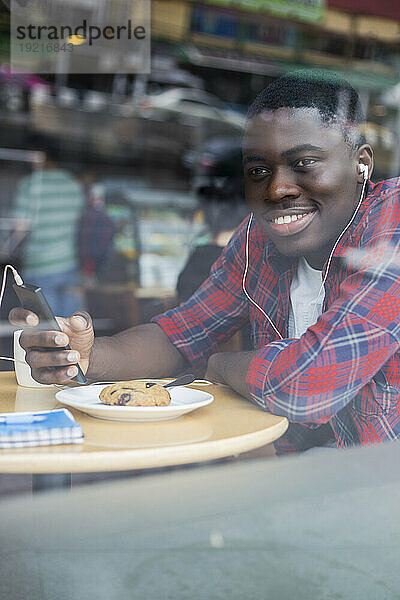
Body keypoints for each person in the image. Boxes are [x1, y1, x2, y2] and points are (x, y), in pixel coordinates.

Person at [10, 70, 400, 455]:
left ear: (361, 165)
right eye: (258, 171)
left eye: (305, 163)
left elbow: (305, 386)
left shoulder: (392, 222)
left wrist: (219, 366)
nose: (277, 189)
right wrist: (88, 356)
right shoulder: (256, 240)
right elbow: (180, 334)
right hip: (305, 486)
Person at [12, 140, 85, 317]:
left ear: (41, 155)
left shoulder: (30, 184)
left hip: (39, 264)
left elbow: (19, 228)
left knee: (47, 329)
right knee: (73, 327)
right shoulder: (72, 183)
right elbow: (80, 220)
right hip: (68, 262)